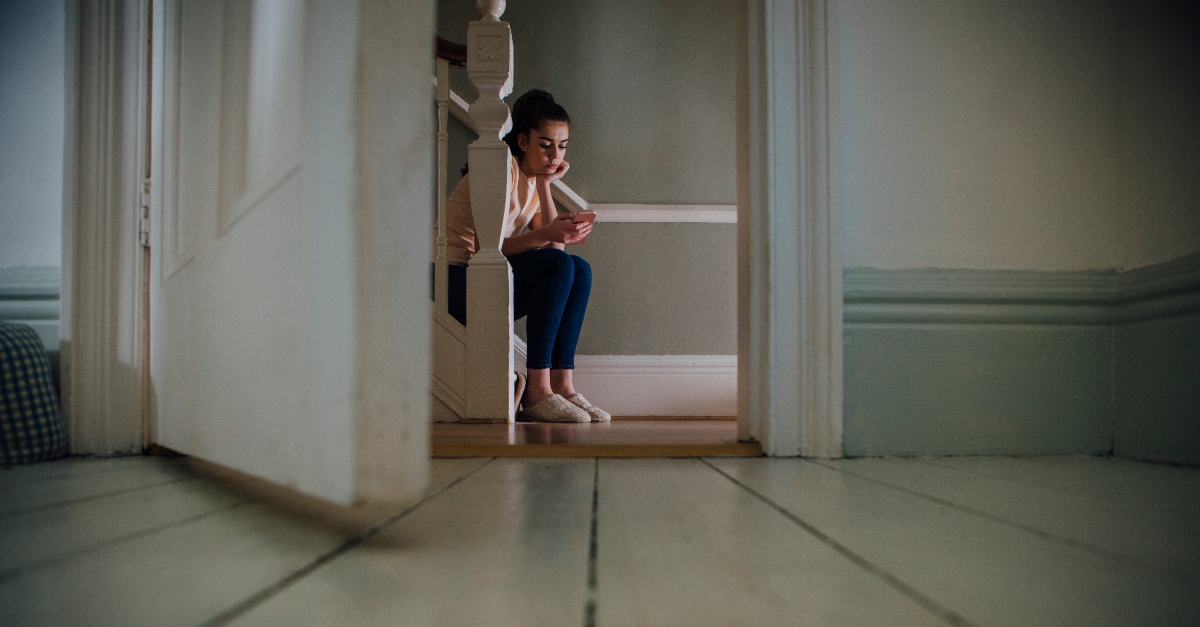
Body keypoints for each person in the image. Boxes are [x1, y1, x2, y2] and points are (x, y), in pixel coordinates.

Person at [439, 89, 610, 423]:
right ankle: (537, 390)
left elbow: (555, 253)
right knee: (563, 266)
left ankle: (561, 384)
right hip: (451, 280)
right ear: (522, 141)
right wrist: (547, 234)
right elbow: (484, 250)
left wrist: (546, 184)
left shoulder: (530, 183)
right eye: (545, 144)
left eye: (562, 147)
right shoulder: (500, 173)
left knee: (579, 268)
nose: (554, 155)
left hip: (478, 279)